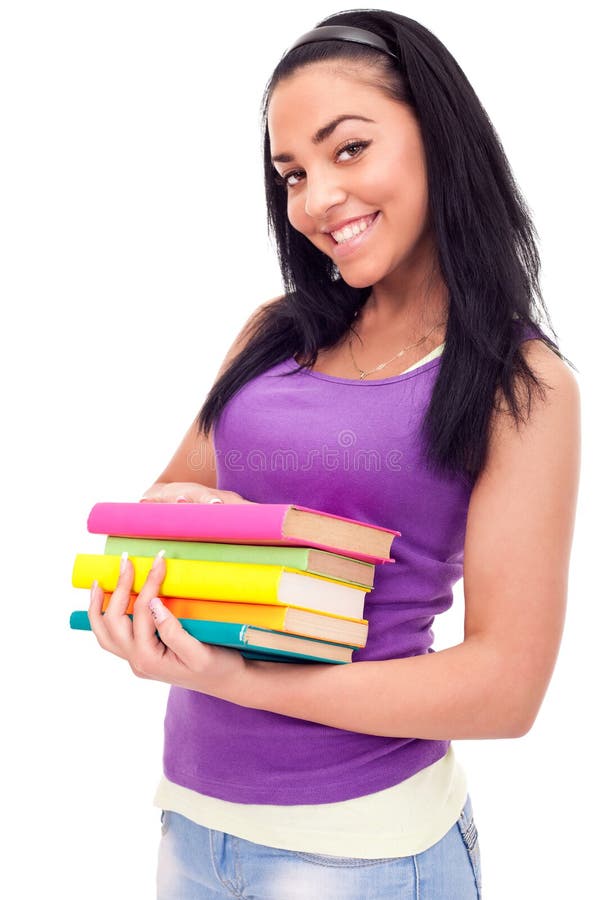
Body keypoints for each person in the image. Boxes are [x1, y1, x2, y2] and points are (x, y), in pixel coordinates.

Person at [87, 9, 580, 899]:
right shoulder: (271, 337)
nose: (316, 200)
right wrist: (179, 541)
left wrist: (246, 679)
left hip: (363, 850)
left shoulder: (522, 382)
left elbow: (507, 687)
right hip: (194, 826)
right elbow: (169, 496)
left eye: (348, 150)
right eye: (292, 173)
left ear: (438, 135)